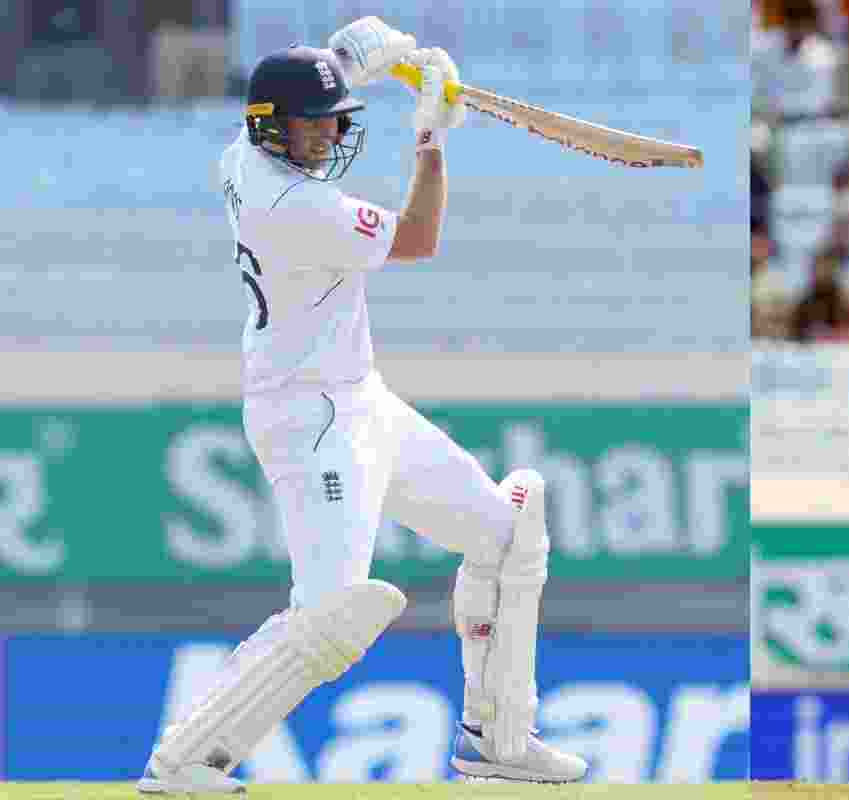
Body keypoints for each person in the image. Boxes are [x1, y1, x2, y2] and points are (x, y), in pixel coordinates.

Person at [137, 18, 587, 794]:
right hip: (310, 421)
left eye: (332, 122)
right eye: (312, 125)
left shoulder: (241, 156)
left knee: (508, 536)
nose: (325, 138)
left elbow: (311, 86)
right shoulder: (291, 206)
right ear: (272, 128)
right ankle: (181, 764)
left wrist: (351, 57)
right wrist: (431, 138)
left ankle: (499, 740)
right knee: (332, 616)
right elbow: (416, 239)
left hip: (360, 399)